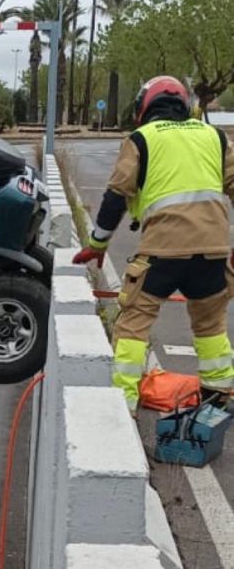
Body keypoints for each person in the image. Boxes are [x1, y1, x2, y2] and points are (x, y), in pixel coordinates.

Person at [73, 75, 234, 412]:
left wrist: (97, 245)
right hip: (214, 252)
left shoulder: (142, 139)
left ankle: (122, 407)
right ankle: (217, 404)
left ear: (144, 108)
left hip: (162, 251)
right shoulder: (215, 137)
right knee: (211, 327)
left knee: (134, 322)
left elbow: (117, 195)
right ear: (185, 104)